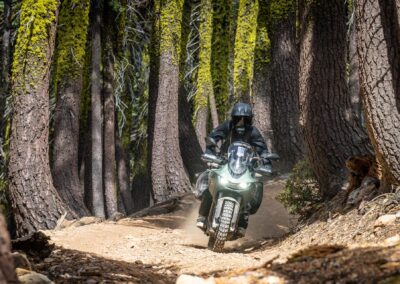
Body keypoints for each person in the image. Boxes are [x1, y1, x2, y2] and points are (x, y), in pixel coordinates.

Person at [196, 102, 271, 236]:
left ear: (250, 120)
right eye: (237, 118)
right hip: (224, 162)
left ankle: (242, 223)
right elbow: (213, 137)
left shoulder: (253, 132)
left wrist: (266, 162)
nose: (241, 121)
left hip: (246, 166)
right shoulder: (227, 126)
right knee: (210, 180)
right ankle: (202, 216)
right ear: (233, 118)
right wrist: (210, 152)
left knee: (255, 186)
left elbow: (262, 149)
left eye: (245, 119)